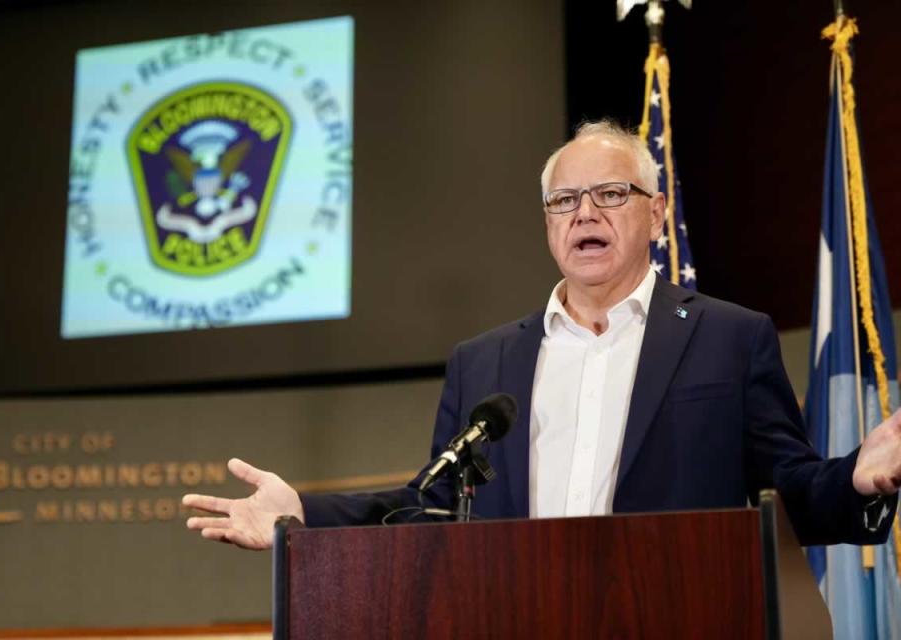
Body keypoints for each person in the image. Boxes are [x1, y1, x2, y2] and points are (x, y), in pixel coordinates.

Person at [183, 120, 901, 550]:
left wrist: (857, 479)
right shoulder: (484, 362)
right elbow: (430, 506)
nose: (585, 212)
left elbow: (790, 494)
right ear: (549, 225)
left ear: (655, 216)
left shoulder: (728, 338)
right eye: (564, 200)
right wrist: (303, 512)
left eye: (611, 194)